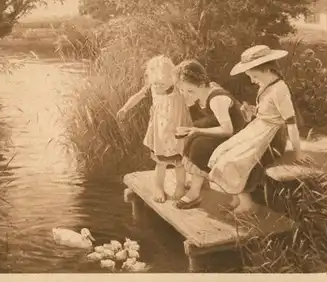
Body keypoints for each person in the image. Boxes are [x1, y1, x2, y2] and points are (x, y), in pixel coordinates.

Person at [208, 44, 308, 214]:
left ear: (267, 69)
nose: (252, 80)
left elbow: (290, 123)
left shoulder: (280, 89)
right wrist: (252, 111)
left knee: (235, 160)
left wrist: (297, 152)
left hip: (273, 137)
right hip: (258, 129)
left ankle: (247, 204)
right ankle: (236, 197)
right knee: (221, 151)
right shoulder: (266, 85)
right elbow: (268, 111)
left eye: (254, 75)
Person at [117, 55, 192, 203]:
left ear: (172, 78)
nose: (157, 87)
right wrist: (125, 108)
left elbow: (191, 99)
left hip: (177, 129)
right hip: (160, 132)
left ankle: (180, 186)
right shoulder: (151, 88)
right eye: (155, 83)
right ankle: (158, 187)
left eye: (161, 84)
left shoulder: (178, 88)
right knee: (161, 163)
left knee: (180, 162)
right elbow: (137, 96)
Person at [174, 60, 247, 209]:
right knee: (194, 135)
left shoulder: (216, 99)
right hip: (226, 132)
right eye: (182, 91)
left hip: (237, 136)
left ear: (201, 85)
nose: (185, 96)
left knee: (200, 145)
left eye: (190, 91)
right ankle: (200, 180)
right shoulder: (205, 91)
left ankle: (195, 192)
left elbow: (228, 130)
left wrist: (197, 130)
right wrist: (192, 129)